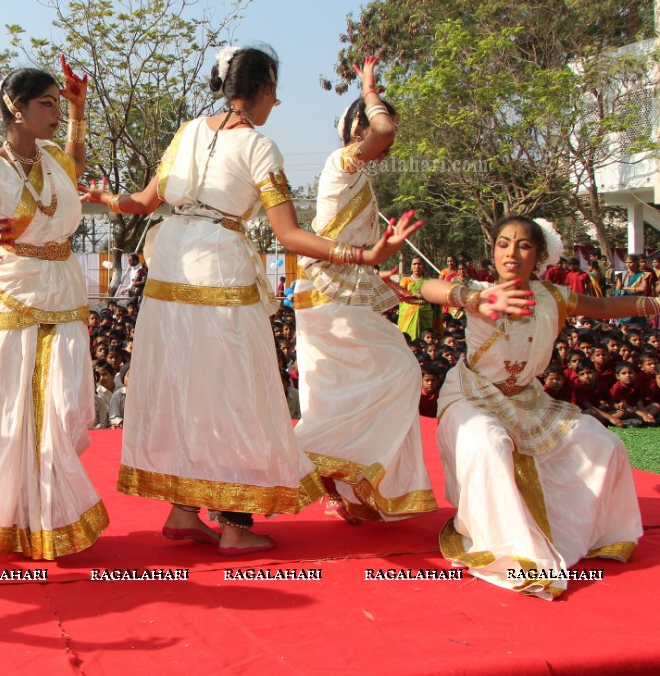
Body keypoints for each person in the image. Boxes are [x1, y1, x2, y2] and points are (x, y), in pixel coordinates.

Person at [80, 46, 420, 554]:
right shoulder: (260, 147)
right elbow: (289, 235)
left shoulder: (188, 132)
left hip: (169, 263)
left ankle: (183, 509)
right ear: (261, 90)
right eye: (275, 93)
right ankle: (235, 525)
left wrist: (104, 199)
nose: (276, 104)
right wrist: (361, 254)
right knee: (233, 390)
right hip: (219, 267)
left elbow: (141, 203)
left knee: (184, 385)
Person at [419, 215, 642, 599]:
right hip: (472, 395)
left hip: (527, 398)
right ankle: (506, 545)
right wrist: (475, 298)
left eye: (523, 244)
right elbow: (427, 287)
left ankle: (582, 530)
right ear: (492, 252)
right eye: (503, 243)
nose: (511, 252)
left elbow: (604, 305)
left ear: (538, 255)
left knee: (602, 443)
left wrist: (653, 303)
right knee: (488, 442)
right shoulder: (479, 291)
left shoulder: (553, 297)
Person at [0, 58, 108, 560]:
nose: (55, 112)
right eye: (48, 103)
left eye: (59, 103)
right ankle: (20, 519)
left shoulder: (54, 155)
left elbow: (74, 166)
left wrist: (79, 112)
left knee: (65, 404)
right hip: (13, 295)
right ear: (16, 108)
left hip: (63, 288)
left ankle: (52, 513)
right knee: (15, 410)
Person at [292, 57, 437, 524]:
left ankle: (344, 483)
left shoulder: (356, 174)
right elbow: (383, 133)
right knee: (399, 372)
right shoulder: (343, 161)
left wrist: (385, 275)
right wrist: (370, 88)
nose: (382, 126)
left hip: (335, 288)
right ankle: (297, 461)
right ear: (354, 127)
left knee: (340, 394)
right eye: (372, 117)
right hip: (329, 290)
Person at [397, 258, 436, 341]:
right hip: (407, 313)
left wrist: (418, 298)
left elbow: (431, 296)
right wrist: (415, 295)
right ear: (411, 267)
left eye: (419, 264)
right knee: (406, 338)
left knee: (426, 337)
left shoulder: (428, 281)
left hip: (424, 313)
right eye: (414, 264)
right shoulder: (405, 280)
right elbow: (401, 294)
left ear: (423, 267)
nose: (417, 266)